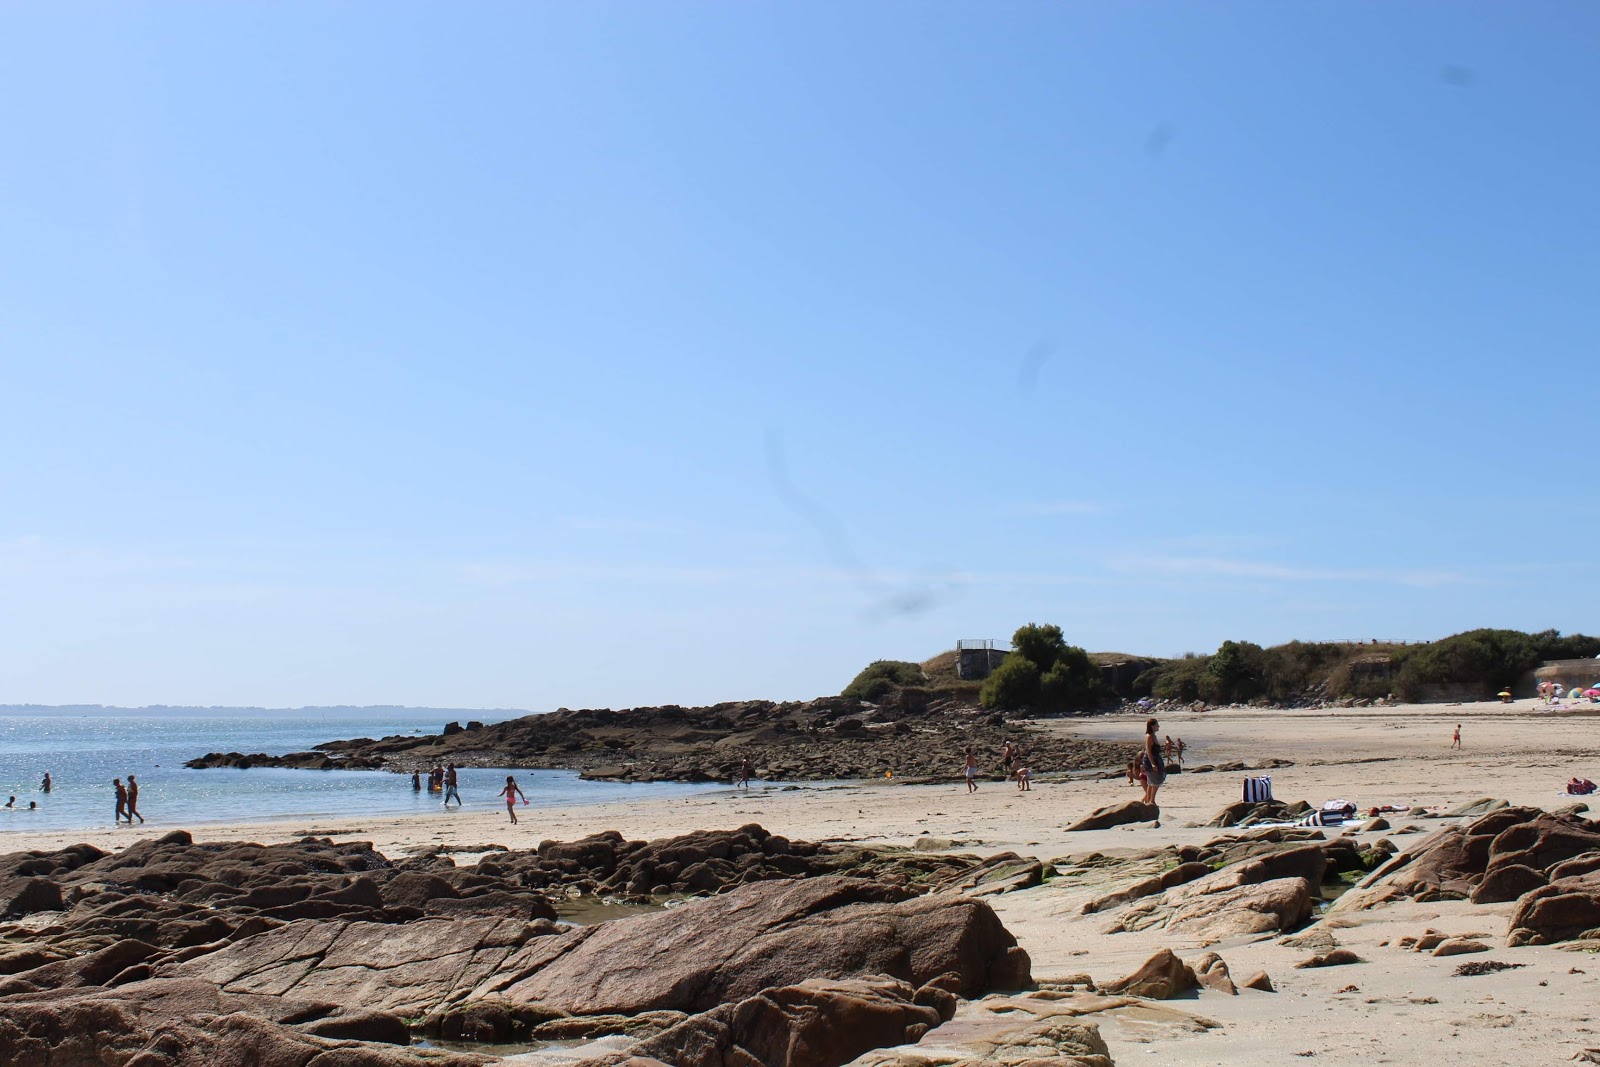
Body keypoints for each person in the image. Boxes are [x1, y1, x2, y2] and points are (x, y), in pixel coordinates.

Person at [1140, 719, 1166, 806]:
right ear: (1152, 726)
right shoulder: (1149, 736)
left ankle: (1148, 801)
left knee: (1152, 781)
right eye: (1157, 725)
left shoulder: (1154, 736)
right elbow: (1148, 751)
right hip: (1150, 760)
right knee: (1154, 781)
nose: (1158, 726)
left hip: (1156, 759)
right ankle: (1151, 801)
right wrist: (1153, 764)